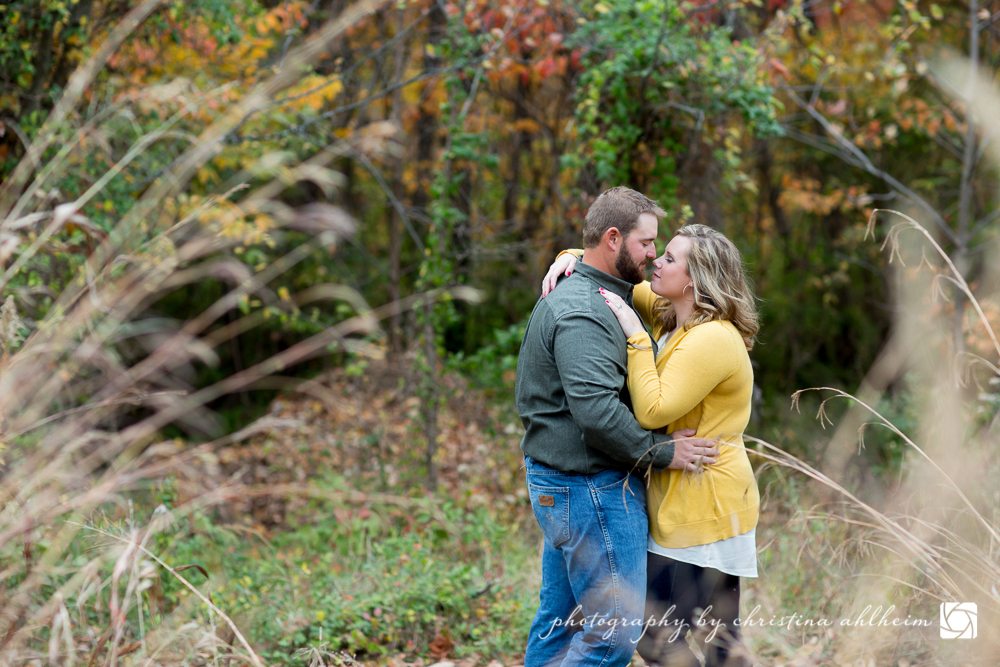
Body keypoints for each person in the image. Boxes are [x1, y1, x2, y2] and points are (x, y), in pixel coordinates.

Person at [516, 188, 722, 667]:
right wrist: (663, 451)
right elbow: (597, 415)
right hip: (590, 490)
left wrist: (568, 254)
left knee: (560, 626)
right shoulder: (585, 311)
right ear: (613, 239)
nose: (653, 254)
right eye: (646, 243)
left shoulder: (606, 293)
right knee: (612, 637)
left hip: (568, 486)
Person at [542, 224, 760, 667]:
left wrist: (636, 338)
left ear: (695, 281)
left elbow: (653, 411)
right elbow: (606, 267)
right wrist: (569, 256)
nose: (656, 260)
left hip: (706, 506)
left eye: (670, 258)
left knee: (669, 635)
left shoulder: (712, 338)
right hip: (684, 500)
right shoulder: (673, 311)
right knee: (706, 639)